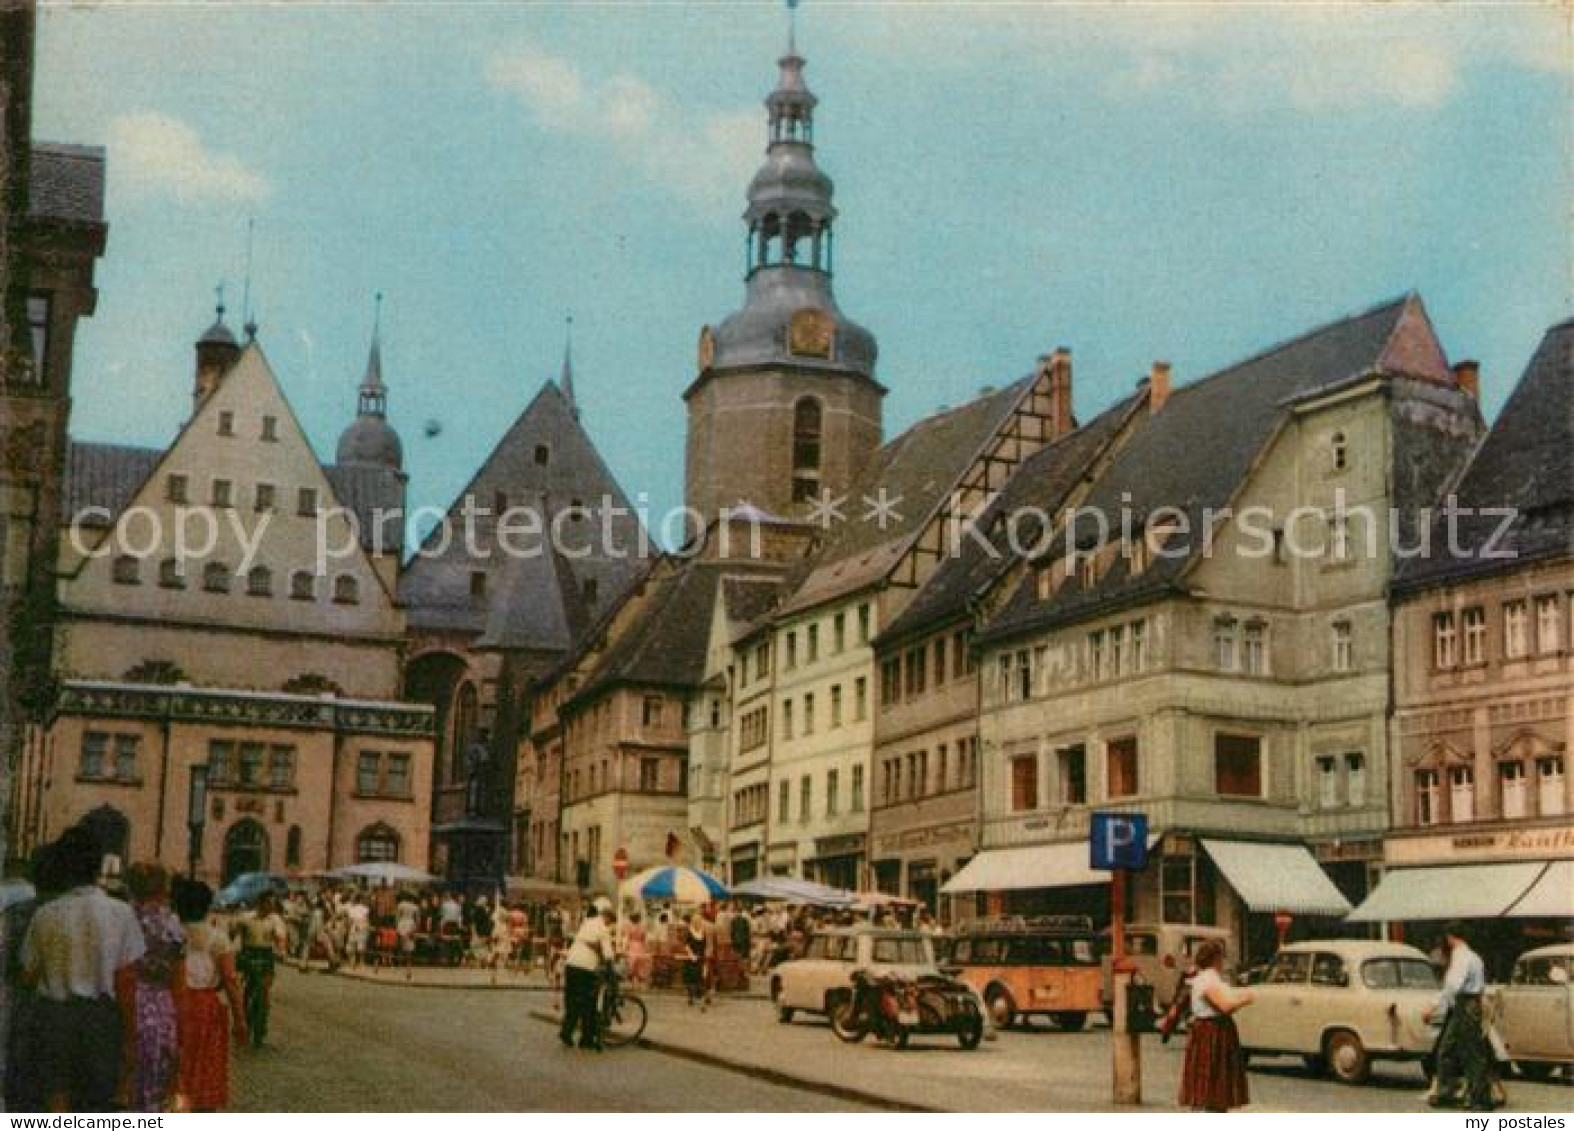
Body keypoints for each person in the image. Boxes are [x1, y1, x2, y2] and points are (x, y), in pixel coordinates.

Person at [19, 823, 146, 1112]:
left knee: (56, 1101)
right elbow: (126, 983)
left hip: (53, 1019)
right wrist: (130, 1042)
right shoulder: (121, 913)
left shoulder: (45, 915)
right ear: (97, 865)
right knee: (97, 1103)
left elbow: (28, 974)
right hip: (100, 1021)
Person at [171, 879, 245, 1112]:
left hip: (173, 1002)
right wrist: (240, 1019)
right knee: (205, 1065)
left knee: (176, 1065)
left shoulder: (171, 933)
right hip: (205, 1006)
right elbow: (231, 981)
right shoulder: (217, 938)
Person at [125, 863, 185, 1112]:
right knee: (157, 1080)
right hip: (160, 1007)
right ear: (164, 888)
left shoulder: (124, 917)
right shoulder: (171, 924)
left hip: (124, 1000)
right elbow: (179, 981)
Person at [1425, 923, 1495, 1111]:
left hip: (1465, 1005)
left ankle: (1480, 1098)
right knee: (1447, 1048)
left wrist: (1434, 1007)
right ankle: (1447, 1091)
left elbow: (1453, 985)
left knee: (1471, 1052)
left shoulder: (1461, 956)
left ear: (1450, 937)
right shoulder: (1473, 956)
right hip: (1468, 1004)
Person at [1178, 939, 1253, 1113]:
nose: (1223, 962)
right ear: (1216, 958)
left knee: (1209, 1084)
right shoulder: (1208, 980)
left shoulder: (1204, 978)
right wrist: (1246, 999)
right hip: (1213, 1032)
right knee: (1214, 1083)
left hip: (1208, 1030)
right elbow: (1225, 1006)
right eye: (1222, 958)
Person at [559, 900, 616, 1050]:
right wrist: (610, 966)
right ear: (607, 917)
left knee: (572, 1000)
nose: (610, 925)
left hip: (571, 963)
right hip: (585, 967)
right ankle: (586, 1039)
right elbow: (608, 953)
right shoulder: (602, 927)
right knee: (588, 1004)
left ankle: (566, 1032)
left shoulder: (587, 922)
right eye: (610, 921)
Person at [233, 892, 286, 1048]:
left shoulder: (275, 919)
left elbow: (281, 936)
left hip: (266, 955)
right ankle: (243, 1024)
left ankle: (260, 1031)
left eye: (273, 904)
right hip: (249, 954)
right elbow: (234, 933)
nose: (272, 906)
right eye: (269, 903)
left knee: (264, 992)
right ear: (261, 903)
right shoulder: (246, 918)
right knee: (247, 992)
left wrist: (281, 949)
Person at [681, 912, 708, 1009]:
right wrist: (691, 955)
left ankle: (699, 997)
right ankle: (690, 997)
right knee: (690, 978)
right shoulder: (689, 932)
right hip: (691, 958)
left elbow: (704, 946)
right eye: (696, 921)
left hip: (700, 957)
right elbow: (686, 945)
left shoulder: (702, 932)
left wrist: (704, 956)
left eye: (699, 921)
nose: (698, 923)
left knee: (699, 978)